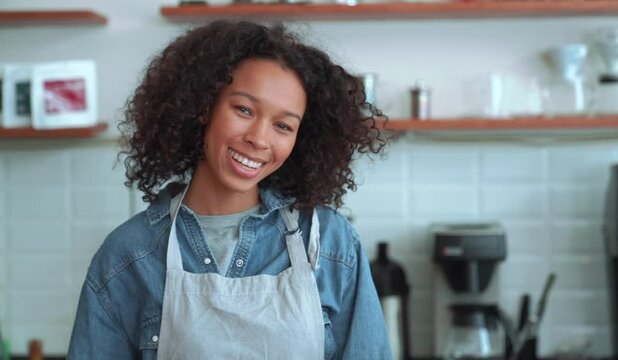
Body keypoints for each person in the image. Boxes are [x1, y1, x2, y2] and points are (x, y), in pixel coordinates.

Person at [68, 20, 391, 359]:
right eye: (243, 110)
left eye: (283, 125)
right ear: (203, 107)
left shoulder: (329, 244)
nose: (259, 138)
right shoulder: (128, 257)